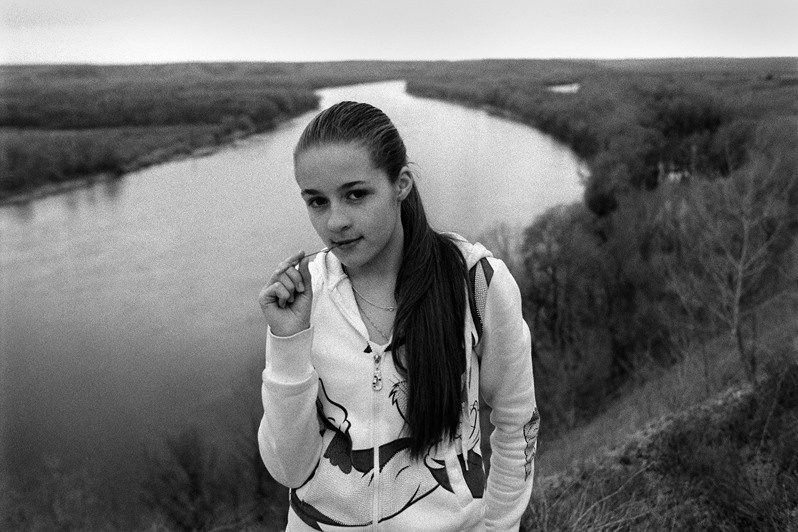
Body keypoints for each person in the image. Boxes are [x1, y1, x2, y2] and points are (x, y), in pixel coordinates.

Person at [258, 101, 539, 531]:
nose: (335, 221)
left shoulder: (474, 282)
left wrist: (499, 527)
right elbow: (289, 471)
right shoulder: (303, 297)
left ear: (400, 184)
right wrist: (287, 346)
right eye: (317, 201)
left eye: (356, 194)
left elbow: (517, 422)